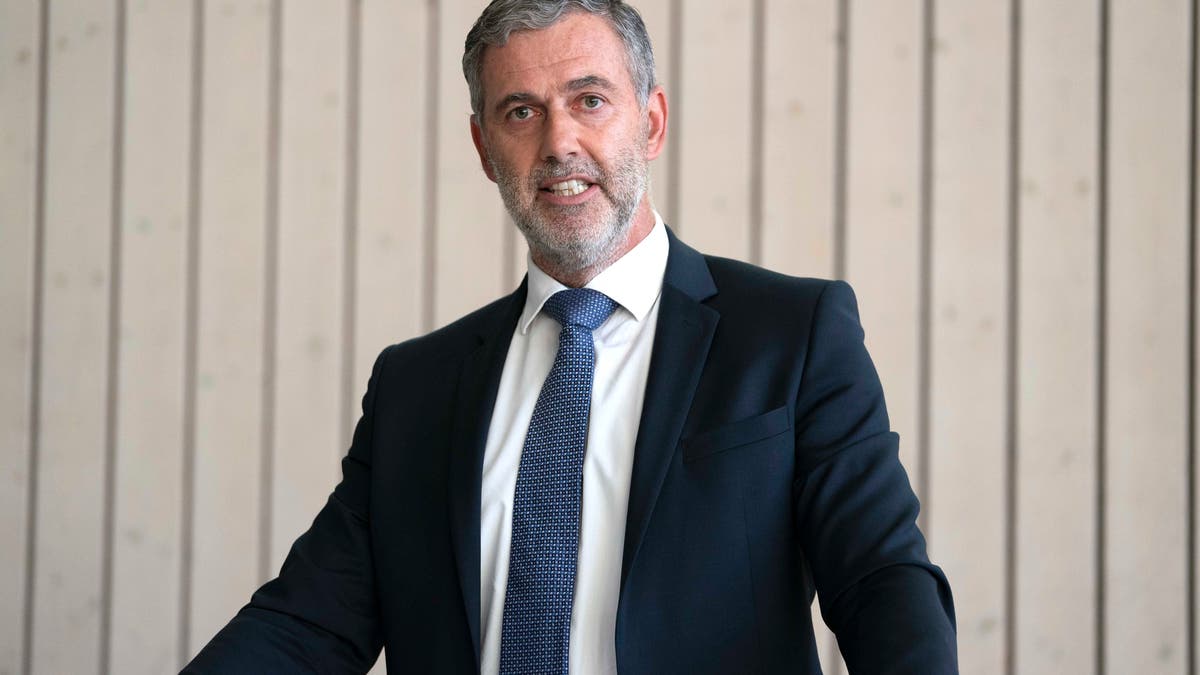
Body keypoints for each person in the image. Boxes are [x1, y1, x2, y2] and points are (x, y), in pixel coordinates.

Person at [184, 0, 958, 672]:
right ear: (484, 148)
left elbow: (881, 580)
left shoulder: (791, 336)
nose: (559, 142)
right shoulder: (415, 388)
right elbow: (307, 625)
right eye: (521, 111)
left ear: (650, 122)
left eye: (590, 100)